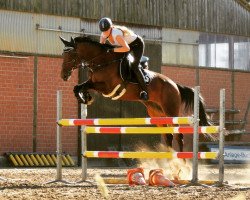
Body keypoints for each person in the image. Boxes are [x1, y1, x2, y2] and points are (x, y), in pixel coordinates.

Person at [98, 17, 149, 101]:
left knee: (134, 66)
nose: (105, 33)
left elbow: (126, 48)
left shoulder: (116, 34)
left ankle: (144, 91)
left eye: (107, 30)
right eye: (103, 31)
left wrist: (112, 50)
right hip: (126, 46)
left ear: (111, 27)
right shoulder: (103, 34)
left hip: (137, 45)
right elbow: (101, 49)